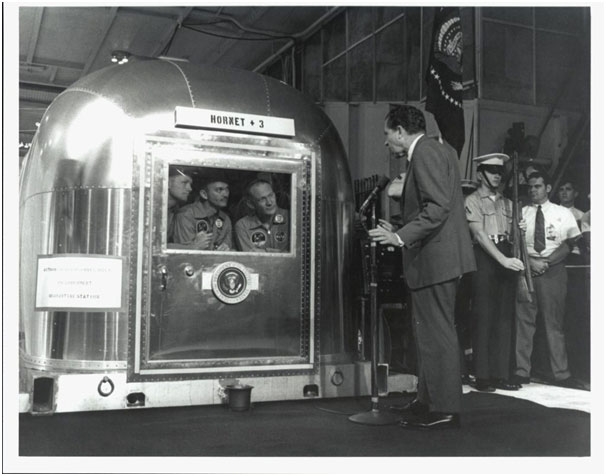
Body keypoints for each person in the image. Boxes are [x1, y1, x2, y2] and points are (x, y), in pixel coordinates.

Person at [368, 105, 476, 430]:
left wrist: (399, 236)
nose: (387, 144)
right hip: (437, 259)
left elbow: (438, 207)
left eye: (387, 135)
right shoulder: (437, 150)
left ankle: (443, 408)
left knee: (437, 333)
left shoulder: (426, 153)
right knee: (428, 333)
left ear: (401, 131)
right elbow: (434, 207)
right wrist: (399, 225)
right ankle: (427, 401)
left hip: (436, 261)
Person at [512, 171, 582, 389]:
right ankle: (522, 371)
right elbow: (515, 243)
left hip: (553, 270)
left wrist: (547, 262)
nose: (533, 190)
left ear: (548, 188)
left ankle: (561, 373)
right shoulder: (521, 213)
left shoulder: (562, 213)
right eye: (531, 187)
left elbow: (569, 243)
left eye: (538, 186)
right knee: (524, 322)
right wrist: (531, 262)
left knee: (554, 323)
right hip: (527, 270)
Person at [464, 153, 525, 392]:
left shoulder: (508, 202)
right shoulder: (472, 201)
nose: (497, 176)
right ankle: (482, 375)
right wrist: (502, 260)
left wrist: (520, 230)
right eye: (491, 171)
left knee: (503, 316)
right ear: (481, 174)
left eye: (499, 172)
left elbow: (513, 235)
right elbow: (479, 235)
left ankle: (501, 373)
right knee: (484, 315)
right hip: (486, 256)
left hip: (506, 253)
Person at [172, 172, 233, 250]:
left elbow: (229, 247)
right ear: (204, 194)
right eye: (219, 190)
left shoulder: (225, 219)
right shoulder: (186, 215)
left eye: (227, 190)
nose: (226, 195)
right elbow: (182, 254)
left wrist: (226, 248)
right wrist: (194, 247)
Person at [235, 179, 290, 252]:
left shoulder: (291, 218)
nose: (269, 202)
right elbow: (251, 259)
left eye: (271, 195)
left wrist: (265, 251)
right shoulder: (243, 226)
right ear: (250, 204)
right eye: (262, 199)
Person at [167, 167, 193, 244]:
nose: (190, 188)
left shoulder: (176, 210)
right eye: (184, 183)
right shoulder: (153, 208)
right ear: (168, 183)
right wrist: (193, 247)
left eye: (190, 184)